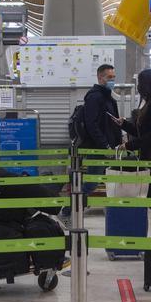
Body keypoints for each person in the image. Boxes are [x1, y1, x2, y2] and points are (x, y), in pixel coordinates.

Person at [61, 64, 122, 225]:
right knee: (91, 183)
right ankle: (66, 210)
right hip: (98, 148)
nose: (112, 80)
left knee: (106, 181)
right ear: (100, 77)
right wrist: (105, 145)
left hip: (108, 147)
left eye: (113, 77)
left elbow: (110, 122)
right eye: (109, 77)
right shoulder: (95, 97)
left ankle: (108, 210)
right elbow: (92, 125)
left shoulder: (108, 96)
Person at [112, 67, 151, 199]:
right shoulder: (149, 102)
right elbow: (142, 132)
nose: (139, 86)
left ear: (149, 84)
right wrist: (124, 124)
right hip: (148, 155)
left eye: (141, 83)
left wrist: (129, 145)